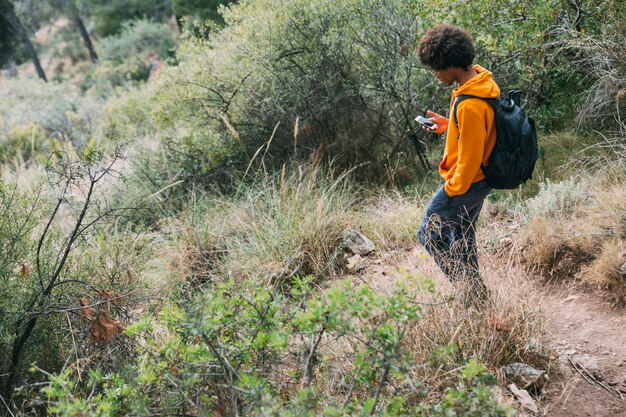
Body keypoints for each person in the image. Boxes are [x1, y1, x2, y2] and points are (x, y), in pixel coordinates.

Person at [415, 24, 500, 305]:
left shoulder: (470, 103)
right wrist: (448, 126)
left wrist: (452, 188)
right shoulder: (478, 83)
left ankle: (470, 293)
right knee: (461, 239)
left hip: (468, 182)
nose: (436, 74)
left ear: (449, 64)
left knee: (428, 234)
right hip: (478, 181)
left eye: (436, 68)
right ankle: (477, 297)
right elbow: (477, 132)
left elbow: (471, 155)